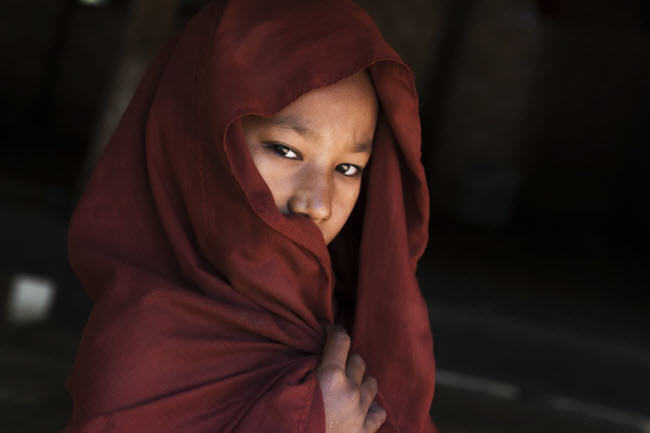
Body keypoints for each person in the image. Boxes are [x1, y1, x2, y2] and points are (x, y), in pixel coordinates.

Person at [62, 1, 436, 432]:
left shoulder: (365, 337)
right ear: (199, 148)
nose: (318, 204)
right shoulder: (142, 353)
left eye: (347, 169)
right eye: (285, 150)